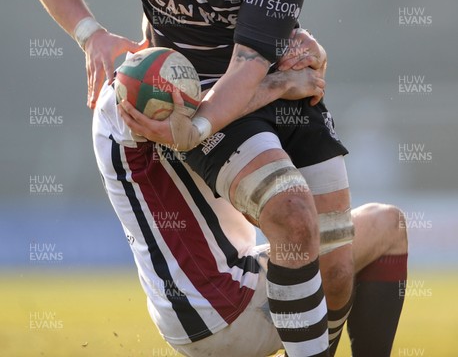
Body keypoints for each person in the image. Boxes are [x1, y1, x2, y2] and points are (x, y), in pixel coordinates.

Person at [29, 0, 354, 356]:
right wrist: (93, 36)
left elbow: (250, 67)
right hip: (206, 99)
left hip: (265, 88)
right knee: (292, 219)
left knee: (337, 259)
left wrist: (205, 121)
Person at [92, 69, 408, 357]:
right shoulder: (156, 93)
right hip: (229, 307)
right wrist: (281, 82)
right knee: (387, 224)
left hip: (193, 312)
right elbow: (268, 212)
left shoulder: (127, 90)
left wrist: (92, 34)